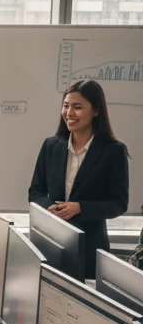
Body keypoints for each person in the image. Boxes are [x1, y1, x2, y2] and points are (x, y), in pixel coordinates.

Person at [29, 78, 129, 279]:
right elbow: (35, 192)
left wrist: (80, 208)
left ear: (96, 111)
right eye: (66, 106)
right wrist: (50, 208)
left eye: (77, 107)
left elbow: (118, 204)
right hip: (51, 243)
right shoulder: (51, 146)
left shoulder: (113, 152)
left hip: (90, 248)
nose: (69, 113)